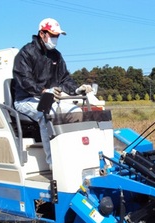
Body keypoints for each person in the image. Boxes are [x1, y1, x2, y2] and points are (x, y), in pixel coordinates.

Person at [13, 17, 93, 168]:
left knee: (75, 111)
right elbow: (24, 80)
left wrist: (76, 89)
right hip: (25, 99)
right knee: (46, 114)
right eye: (52, 35)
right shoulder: (26, 53)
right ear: (41, 34)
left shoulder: (56, 55)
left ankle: (74, 155)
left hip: (48, 98)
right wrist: (43, 90)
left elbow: (64, 78)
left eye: (57, 36)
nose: (55, 39)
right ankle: (54, 164)